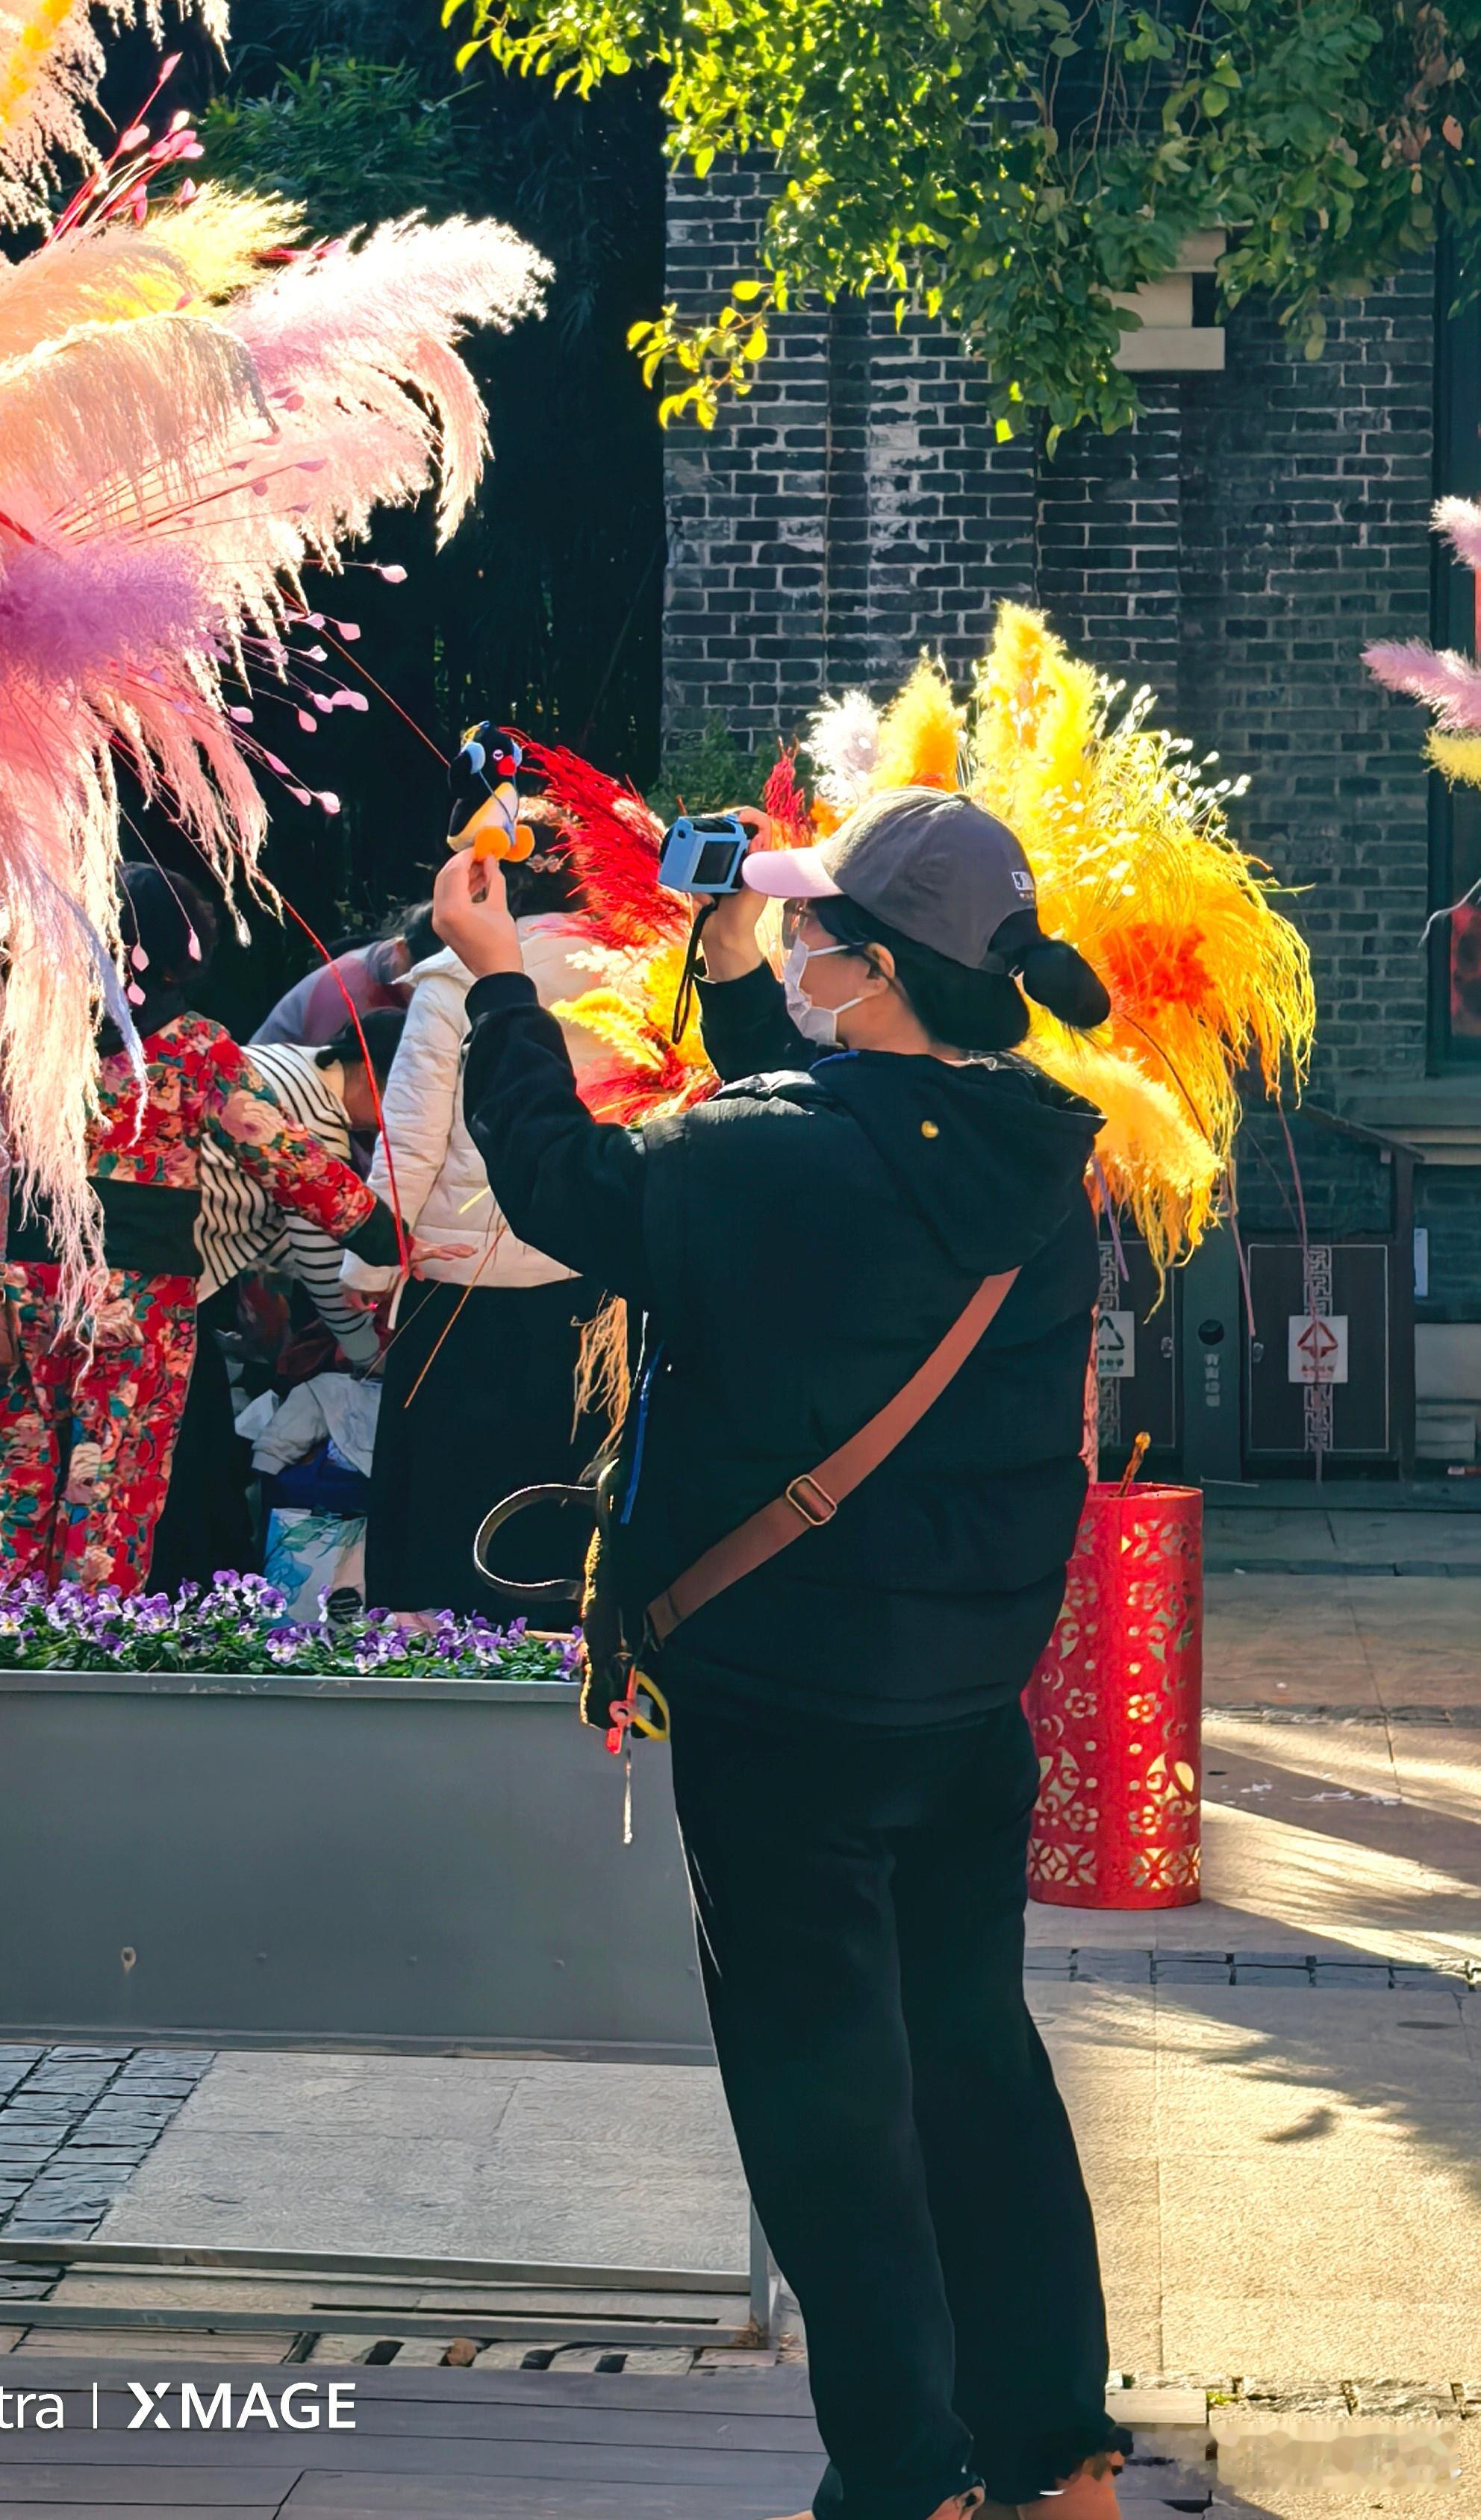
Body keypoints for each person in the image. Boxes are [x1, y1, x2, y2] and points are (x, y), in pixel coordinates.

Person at [430, 785, 1127, 2520]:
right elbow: (838, 1181)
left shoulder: (777, 1158)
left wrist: (495, 980)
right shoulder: (1040, 1159)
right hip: (962, 1704)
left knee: (825, 2103)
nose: (795, 940)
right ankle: (1056, 2452)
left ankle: (903, 2473)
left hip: (787, 1712)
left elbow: (576, 1186)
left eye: (814, 929)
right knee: (974, 2062)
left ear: (876, 969)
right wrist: (740, 979)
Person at [0, 863, 403, 1594]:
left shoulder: (19, 1036)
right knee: (112, 1477)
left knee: (11, 1468)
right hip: (141, 1299)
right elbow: (283, 1158)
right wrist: (386, 1237)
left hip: (24, 1283)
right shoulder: (194, 1047)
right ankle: (86, 1635)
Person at [343, 832, 614, 1623]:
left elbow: (411, 1137)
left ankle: (438, 1661)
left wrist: (369, 1269)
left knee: (445, 1502)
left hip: (459, 1275)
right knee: (560, 1493)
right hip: (592, 1275)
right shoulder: (636, 970)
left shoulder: (456, 972)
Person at [147, 1012, 406, 1591]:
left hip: (140, 1274)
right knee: (193, 1454)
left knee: (190, 1444)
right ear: (376, 1075)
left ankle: (194, 1583)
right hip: (158, 1284)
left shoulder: (285, 1062)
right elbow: (324, 1262)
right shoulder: (318, 1118)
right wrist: (370, 1359)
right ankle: (196, 1590)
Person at [251, 901, 439, 1047]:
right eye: (422, 981)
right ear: (401, 950)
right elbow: (334, 1068)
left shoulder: (393, 960)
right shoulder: (350, 994)